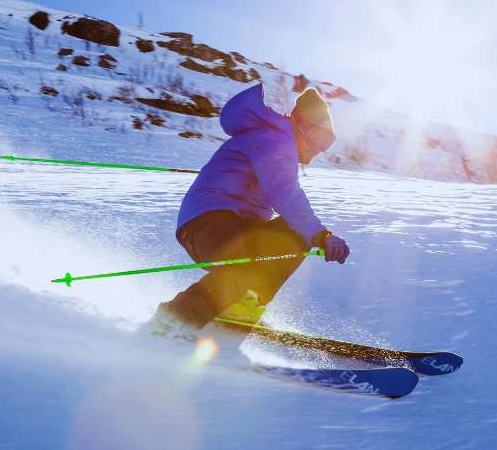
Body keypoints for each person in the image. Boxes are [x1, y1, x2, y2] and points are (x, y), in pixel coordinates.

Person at [146, 81, 350, 337]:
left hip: (236, 224)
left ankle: (235, 318)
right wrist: (321, 234)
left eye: (327, 143)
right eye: (317, 137)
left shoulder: (278, 142)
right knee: (250, 256)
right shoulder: (274, 140)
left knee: (290, 236)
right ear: (300, 124)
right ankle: (177, 318)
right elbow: (286, 193)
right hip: (206, 223)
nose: (318, 149)